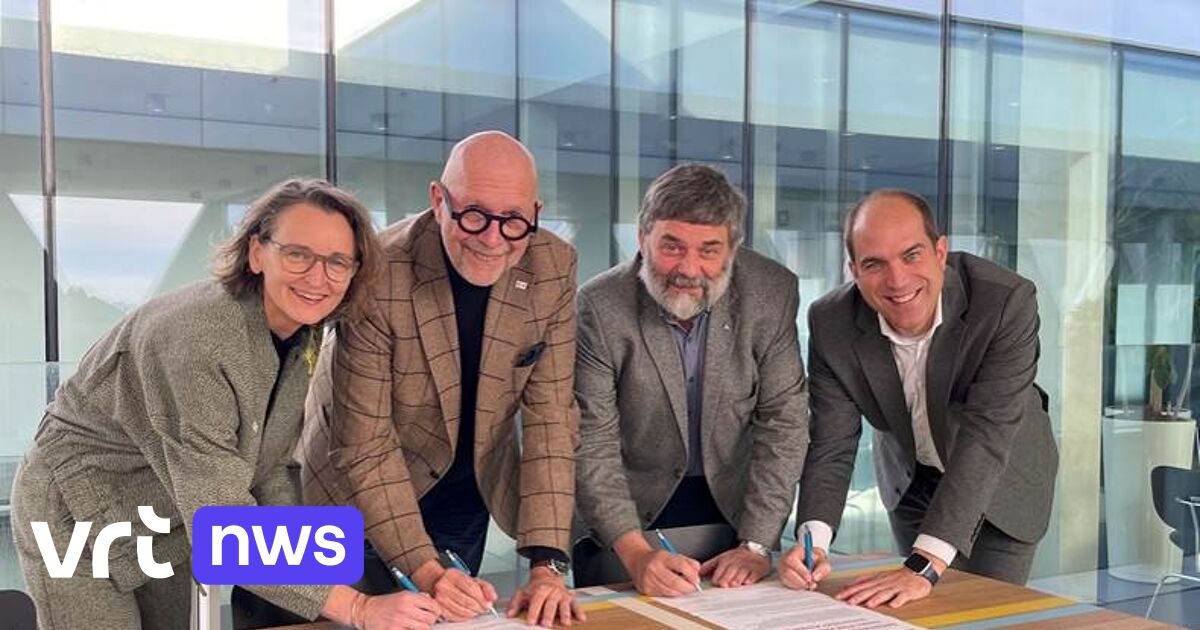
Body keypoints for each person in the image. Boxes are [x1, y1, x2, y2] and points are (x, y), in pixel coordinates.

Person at [11, 178, 442, 630]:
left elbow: (270, 467)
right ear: (257, 253)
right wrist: (358, 608)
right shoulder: (199, 338)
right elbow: (222, 520)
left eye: (337, 262)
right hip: (76, 511)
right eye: (298, 255)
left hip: (166, 511)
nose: (318, 278)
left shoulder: (301, 329)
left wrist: (321, 576)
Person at [298, 131, 584, 627]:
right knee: (344, 619)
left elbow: (552, 420)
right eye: (474, 214)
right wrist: (426, 571)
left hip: (461, 494)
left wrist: (547, 566)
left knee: (446, 619)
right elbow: (366, 445)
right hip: (350, 492)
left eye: (514, 220)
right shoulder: (381, 270)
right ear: (438, 199)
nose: (493, 238)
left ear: (535, 212)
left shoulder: (553, 265)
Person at [780, 189, 1058, 609]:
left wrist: (924, 566)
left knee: (981, 614)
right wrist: (812, 543)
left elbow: (987, 434)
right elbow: (832, 442)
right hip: (911, 481)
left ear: (940, 252)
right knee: (913, 611)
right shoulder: (831, 320)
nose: (897, 280)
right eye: (874, 264)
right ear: (854, 271)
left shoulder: (1004, 301)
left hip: (1002, 482)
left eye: (911, 255)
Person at [572, 163, 809, 596]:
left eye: (709, 250)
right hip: (624, 511)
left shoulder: (770, 292)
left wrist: (756, 544)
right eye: (672, 246)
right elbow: (592, 441)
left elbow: (784, 423)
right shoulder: (600, 306)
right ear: (642, 238)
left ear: (732, 249)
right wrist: (635, 554)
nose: (689, 268)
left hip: (735, 508)